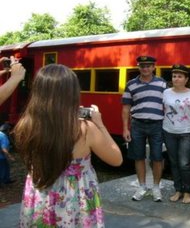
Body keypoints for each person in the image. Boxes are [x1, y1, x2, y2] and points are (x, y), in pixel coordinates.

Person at [13, 64, 123, 227]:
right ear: (71, 93)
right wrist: (99, 124)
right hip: (75, 201)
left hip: (41, 197)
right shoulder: (85, 129)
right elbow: (117, 159)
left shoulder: (25, 125)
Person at [122, 55, 166, 202]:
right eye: (142, 66)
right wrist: (125, 128)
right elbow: (126, 107)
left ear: (154, 67)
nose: (145, 68)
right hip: (137, 125)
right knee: (138, 156)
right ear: (138, 67)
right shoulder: (131, 84)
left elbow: (167, 106)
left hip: (157, 125)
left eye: (148, 66)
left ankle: (156, 187)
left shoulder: (162, 83)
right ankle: (142, 186)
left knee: (157, 157)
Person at [163, 64, 190, 204]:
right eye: (174, 76)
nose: (176, 79)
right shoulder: (166, 93)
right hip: (169, 131)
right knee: (174, 162)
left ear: (186, 79)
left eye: (180, 76)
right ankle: (178, 190)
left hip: (186, 132)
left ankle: (187, 191)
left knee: (184, 164)